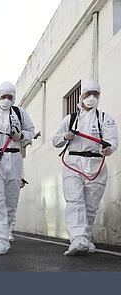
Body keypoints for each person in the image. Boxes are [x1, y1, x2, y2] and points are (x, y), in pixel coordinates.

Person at [52, 80, 118, 256]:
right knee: (75, 201)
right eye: (88, 94)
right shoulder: (70, 119)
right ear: (81, 97)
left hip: (96, 164)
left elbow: (112, 142)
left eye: (95, 94)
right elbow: (55, 141)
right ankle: (78, 239)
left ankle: (85, 240)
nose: (92, 97)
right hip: (73, 164)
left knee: (90, 206)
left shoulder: (105, 118)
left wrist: (107, 148)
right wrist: (66, 136)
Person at [0, 81, 35, 255]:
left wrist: (22, 135)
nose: (7, 100)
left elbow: (31, 131)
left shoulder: (20, 113)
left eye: (10, 97)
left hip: (15, 159)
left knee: (10, 202)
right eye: (4, 96)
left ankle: (6, 231)